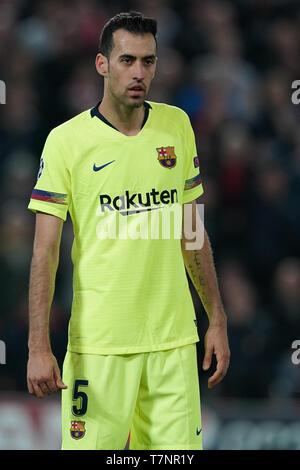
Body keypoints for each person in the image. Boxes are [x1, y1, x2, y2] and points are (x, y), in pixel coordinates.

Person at [27, 11, 230, 450]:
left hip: (173, 343)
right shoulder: (66, 141)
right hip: (99, 348)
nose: (139, 72)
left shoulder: (176, 126)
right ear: (102, 64)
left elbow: (192, 232)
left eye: (148, 61)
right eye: (127, 60)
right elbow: (45, 252)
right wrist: (37, 347)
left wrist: (217, 317)